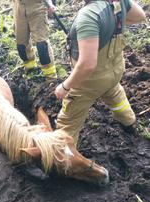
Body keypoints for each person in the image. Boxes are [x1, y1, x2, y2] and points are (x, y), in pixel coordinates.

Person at [54, 0, 146, 144]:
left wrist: (65, 87)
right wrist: (113, 23)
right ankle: (131, 124)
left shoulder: (89, 16)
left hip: (90, 81)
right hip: (114, 70)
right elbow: (140, 16)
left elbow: (87, 65)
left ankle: (62, 156)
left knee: (68, 120)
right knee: (114, 93)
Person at [13, 0, 57, 80]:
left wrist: (50, 3)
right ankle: (31, 69)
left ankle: (51, 77)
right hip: (19, 7)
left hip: (37, 6)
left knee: (42, 45)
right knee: (21, 44)